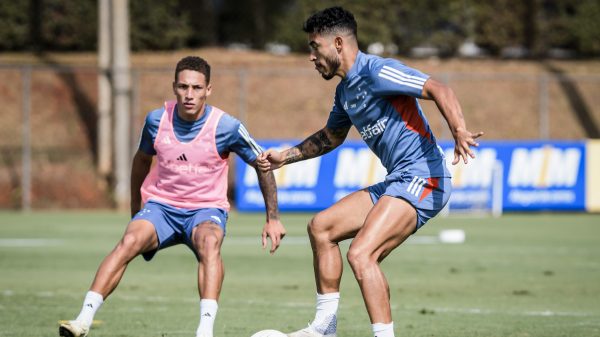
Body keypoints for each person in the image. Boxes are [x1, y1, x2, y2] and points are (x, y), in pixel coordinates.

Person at [257, 7, 483, 337]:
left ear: (337, 43)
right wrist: (285, 156)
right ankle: (324, 328)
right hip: (398, 181)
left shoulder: (379, 71)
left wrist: (459, 130)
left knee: (362, 254)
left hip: (426, 178)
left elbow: (439, 89)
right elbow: (330, 137)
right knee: (321, 228)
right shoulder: (345, 92)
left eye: (314, 46)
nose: (311, 56)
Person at [60, 56, 286, 337]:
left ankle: (204, 331)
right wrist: (135, 208)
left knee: (210, 242)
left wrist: (272, 218)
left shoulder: (226, 126)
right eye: (183, 87)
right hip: (161, 207)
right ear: (174, 87)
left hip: (206, 209)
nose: (189, 94)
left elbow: (263, 164)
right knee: (130, 240)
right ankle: (82, 320)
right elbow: (141, 161)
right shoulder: (156, 120)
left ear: (208, 90)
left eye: (196, 88)